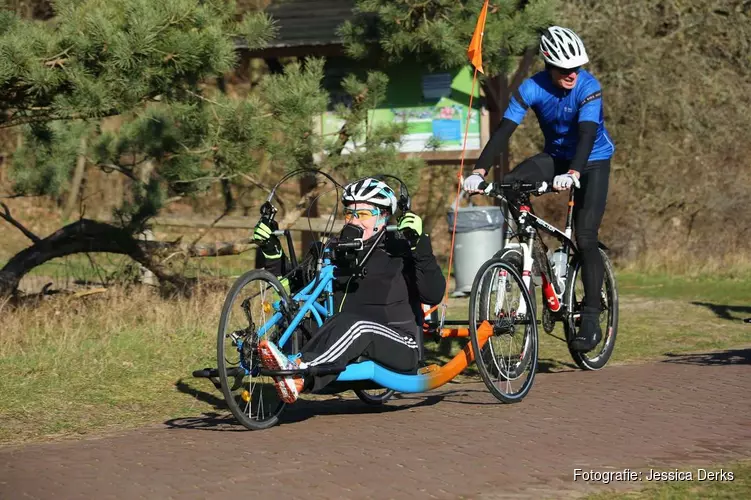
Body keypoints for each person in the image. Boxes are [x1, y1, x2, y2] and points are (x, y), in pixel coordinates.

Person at [463, 26, 615, 353]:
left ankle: (589, 316)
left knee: (585, 237)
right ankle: (533, 252)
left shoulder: (589, 86)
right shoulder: (532, 87)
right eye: (564, 69)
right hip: (556, 157)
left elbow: (587, 134)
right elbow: (504, 131)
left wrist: (573, 172)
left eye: (576, 67)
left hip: (592, 161)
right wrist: (478, 170)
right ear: (549, 63)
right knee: (510, 184)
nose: (572, 74)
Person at [252, 177, 446, 403]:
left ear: (383, 216)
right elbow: (291, 288)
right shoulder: (332, 250)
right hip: (345, 338)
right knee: (297, 327)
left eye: (362, 215)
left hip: (399, 344)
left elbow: (433, 294)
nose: (354, 221)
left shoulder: (401, 250)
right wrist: (271, 251)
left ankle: (299, 372)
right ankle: (257, 361)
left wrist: (418, 243)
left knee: (355, 325)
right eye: (349, 214)